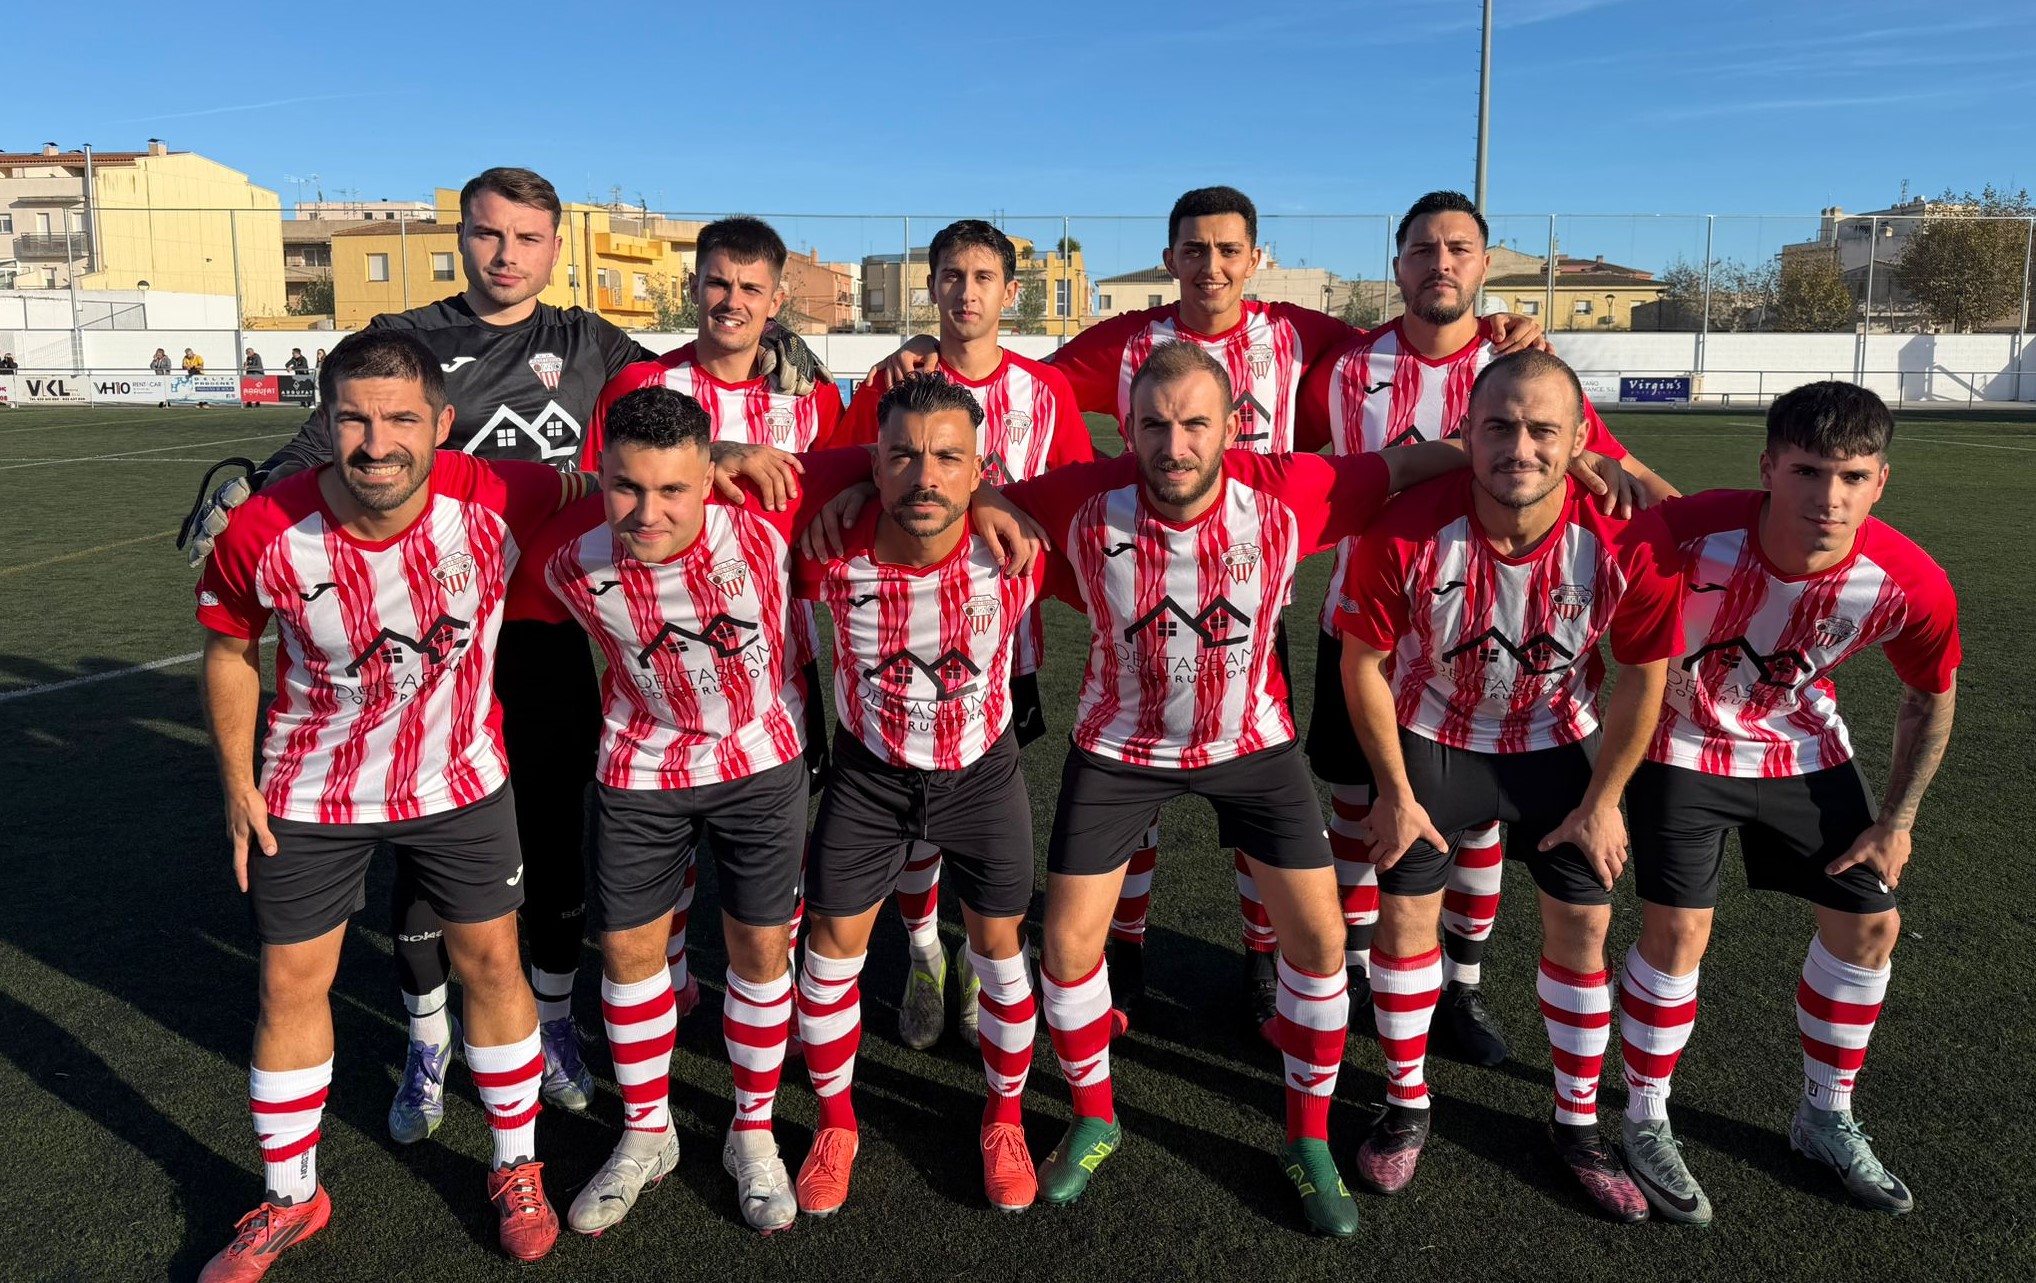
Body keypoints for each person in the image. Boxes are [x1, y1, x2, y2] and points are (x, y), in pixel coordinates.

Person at [181, 167, 831, 1155]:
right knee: (419, 841)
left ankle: (557, 1019)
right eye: (488, 234)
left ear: (552, 248)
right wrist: (253, 487)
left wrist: (751, 414)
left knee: (554, 836)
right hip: (423, 642)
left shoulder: (587, 342)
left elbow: (691, 372)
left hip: (549, 625)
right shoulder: (414, 339)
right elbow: (318, 443)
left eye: (528, 239)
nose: (505, 255)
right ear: (463, 235)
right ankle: (427, 1032)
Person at [995, 341, 1475, 1237]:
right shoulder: (1080, 496)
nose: (1172, 444)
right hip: (1119, 748)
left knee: (1322, 944)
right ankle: (1094, 1115)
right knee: (1063, 948)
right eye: (1152, 424)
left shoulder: (1290, 490)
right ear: (1127, 427)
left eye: (1193, 424)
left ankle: (1308, 1137)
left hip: (1252, 745)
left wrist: (1581, 461)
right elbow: (968, 498)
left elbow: (1415, 461)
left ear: (1230, 428)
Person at [191, 331, 590, 1278]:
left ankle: (515, 1164)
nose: (378, 442)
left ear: (442, 425)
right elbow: (228, 648)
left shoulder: (501, 490)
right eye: (356, 418)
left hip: (458, 777)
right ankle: (291, 1195)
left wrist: (748, 463)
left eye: (402, 418)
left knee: (494, 961)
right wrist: (237, 784)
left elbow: (617, 483)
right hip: (310, 786)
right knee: (291, 982)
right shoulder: (264, 528)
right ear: (325, 421)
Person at [1293, 190, 1676, 1062]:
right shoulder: (1344, 367)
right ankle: (1363, 969)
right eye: (1423, 248)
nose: (1441, 262)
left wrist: (1636, 483)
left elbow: (1609, 465)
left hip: (1484, 632)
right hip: (1366, 624)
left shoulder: (1521, 364)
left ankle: (1458, 991)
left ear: (1483, 263)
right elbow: (1302, 458)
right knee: (1363, 809)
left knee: (1479, 827)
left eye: (1459, 248)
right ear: (1398, 266)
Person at [511, 385, 882, 1236]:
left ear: (709, 481)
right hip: (640, 760)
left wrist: (759, 459)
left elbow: (893, 461)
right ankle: (648, 1131)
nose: (647, 511)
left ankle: (751, 1131)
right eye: (626, 487)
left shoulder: (767, 506)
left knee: (758, 949)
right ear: (599, 478)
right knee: (633, 950)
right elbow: (464, 492)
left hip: (761, 755)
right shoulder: (567, 557)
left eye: (673, 489)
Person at [1334, 349, 1683, 1222]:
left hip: (1557, 746)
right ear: (1467, 433)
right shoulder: (1407, 527)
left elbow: (1644, 676)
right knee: (1408, 915)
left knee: (1583, 929)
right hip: (1431, 740)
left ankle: (1576, 1126)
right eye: (1497, 426)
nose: (1518, 447)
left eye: (1541, 430)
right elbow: (1365, 663)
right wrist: (1392, 790)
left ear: (1577, 443)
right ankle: (1406, 1104)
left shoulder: (1624, 541)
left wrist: (1605, 802)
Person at [1615, 382, 1959, 1223]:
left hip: (1800, 747)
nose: (1827, 496)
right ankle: (1644, 1115)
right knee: (1678, 931)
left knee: (1872, 922)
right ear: (1769, 466)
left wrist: (1897, 820)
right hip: (1679, 739)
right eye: (1807, 471)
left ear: (1880, 480)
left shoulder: (1908, 581)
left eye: (1850, 476)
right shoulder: (1689, 533)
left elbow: (1930, 695)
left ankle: (1824, 1112)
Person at [831, 218, 1094, 1052]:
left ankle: (984, 963)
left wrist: (988, 499)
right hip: (888, 649)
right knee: (908, 814)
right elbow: (844, 470)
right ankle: (921, 955)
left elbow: (1068, 498)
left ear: (1009, 292)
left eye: (984, 277)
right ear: (932, 286)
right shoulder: (894, 378)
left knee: (974, 812)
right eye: (951, 275)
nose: (967, 291)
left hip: (999, 650)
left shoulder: (1043, 393)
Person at [790, 377, 1050, 1216]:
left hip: (981, 771)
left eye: (948, 457)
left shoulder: (1019, 546)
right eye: (901, 455)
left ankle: (1003, 1118)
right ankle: (837, 1123)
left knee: (1002, 951)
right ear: (873, 461)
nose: (924, 475)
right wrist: (847, 485)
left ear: (983, 469)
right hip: (871, 776)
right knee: (829, 951)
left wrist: (1000, 498)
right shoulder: (831, 542)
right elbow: (735, 473)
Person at [582, 215, 849, 1019]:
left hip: (776, 665)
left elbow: (838, 499)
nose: (731, 300)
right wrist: (720, 455)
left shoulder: (811, 401)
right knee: (667, 847)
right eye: (718, 283)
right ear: (695, 286)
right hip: (656, 667)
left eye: (750, 288)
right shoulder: (642, 389)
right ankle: (672, 983)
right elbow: (608, 503)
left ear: (775, 301)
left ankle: (788, 991)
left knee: (775, 850)